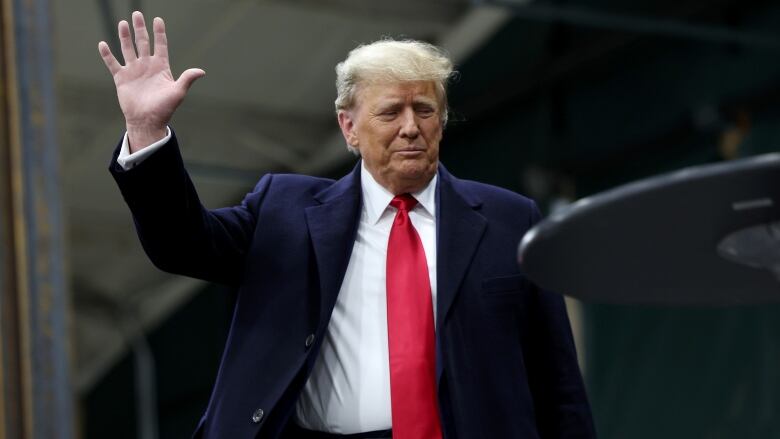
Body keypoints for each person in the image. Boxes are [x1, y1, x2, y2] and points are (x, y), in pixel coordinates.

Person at [99, 11, 596, 439]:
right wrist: (147, 131)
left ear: (441, 122)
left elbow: (558, 384)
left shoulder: (510, 220)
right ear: (349, 127)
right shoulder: (285, 210)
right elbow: (182, 246)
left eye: (424, 109)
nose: (410, 126)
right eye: (389, 112)